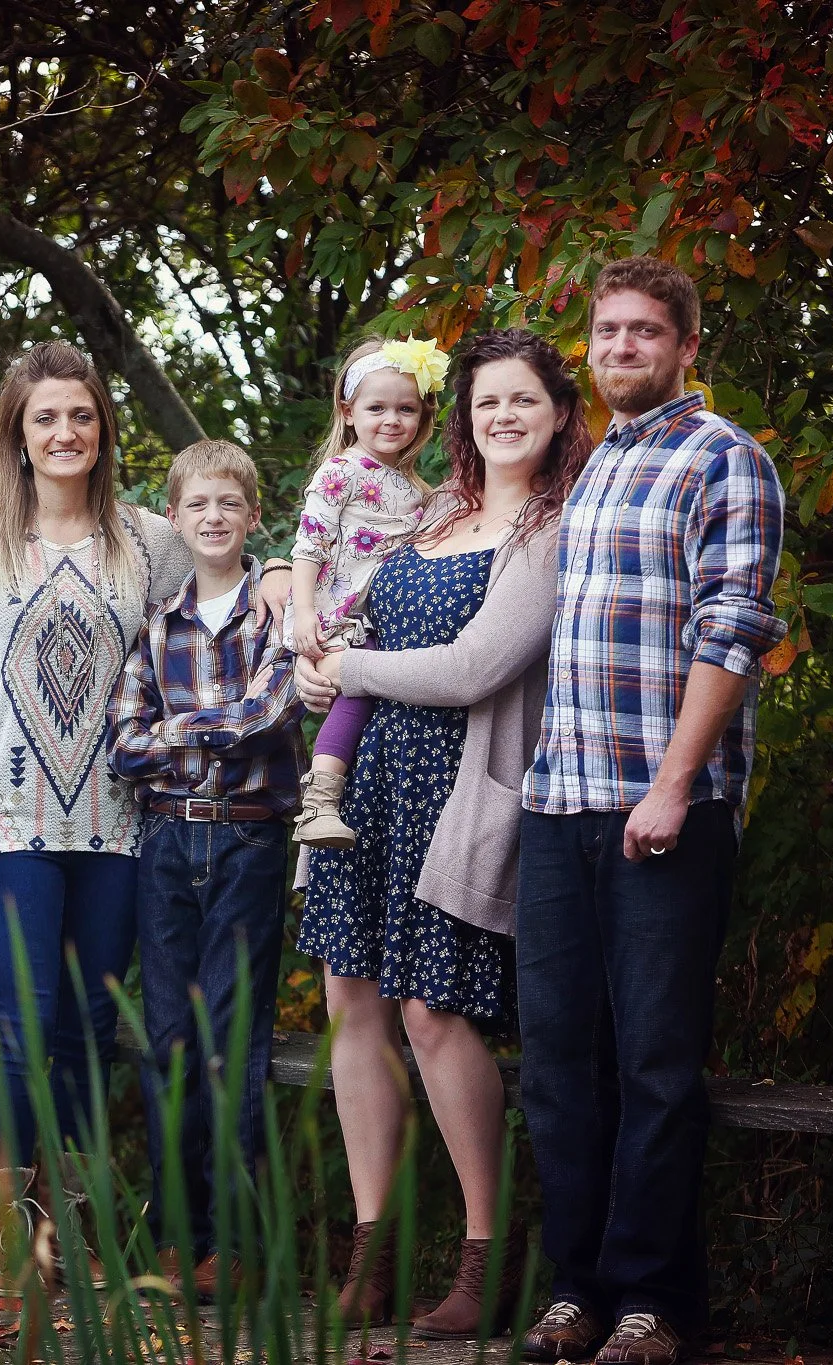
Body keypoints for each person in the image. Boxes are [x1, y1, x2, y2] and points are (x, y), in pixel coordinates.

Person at [0, 341, 287, 1288]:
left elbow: (230, 561)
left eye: (80, 415)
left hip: (125, 822)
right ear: (15, 433)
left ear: (103, 428)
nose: (64, 431)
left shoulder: (144, 538)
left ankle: (75, 1231)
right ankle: (3, 1239)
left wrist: (288, 570)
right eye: (45, 417)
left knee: (94, 1020)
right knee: (16, 1021)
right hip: (11, 818)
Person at [513, 259, 785, 1365]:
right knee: (557, 1064)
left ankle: (652, 1305)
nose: (619, 347)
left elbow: (732, 630)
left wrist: (672, 784)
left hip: (661, 805)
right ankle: (573, 1292)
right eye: (605, 331)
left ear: (684, 348)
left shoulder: (726, 458)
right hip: (556, 802)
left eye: (642, 332)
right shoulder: (587, 469)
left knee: (655, 1064)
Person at [294, 329, 592, 1334]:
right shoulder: (432, 510)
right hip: (372, 781)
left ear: (556, 415)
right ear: (459, 418)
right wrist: (321, 658)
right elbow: (361, 625)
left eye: (520, 401)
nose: (499, 417)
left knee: (432, 1010)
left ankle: (484, 1257)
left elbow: (474, 669)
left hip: (460, 790)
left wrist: (350, 671)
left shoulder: (552, 527)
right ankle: (372, 1252)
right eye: (482, 403)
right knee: (352, 1003)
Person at [106, 438, 304, 1299]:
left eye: (229, 503)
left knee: (232, 1038)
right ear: (176, 520)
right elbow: (123, 744)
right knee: (168, 1044)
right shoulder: (158, 626)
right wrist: (200, 730)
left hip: (249, 842)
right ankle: (175, 1238)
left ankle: (235, 1240)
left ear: (252, 515)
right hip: (165, 845)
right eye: (198, 505)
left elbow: (275, 707)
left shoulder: (279, 616)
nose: (214, 517)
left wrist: (182, 732)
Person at [287, 337, 442, 850]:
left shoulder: (418, 490)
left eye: (406, 409)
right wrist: (305, 611)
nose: (392, 420)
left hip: (383, 620)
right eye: (377, 408)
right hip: (338, 609)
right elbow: (310, 545)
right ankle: (319, 803)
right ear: (348, 411)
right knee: (355, 694)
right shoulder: (340, 473)